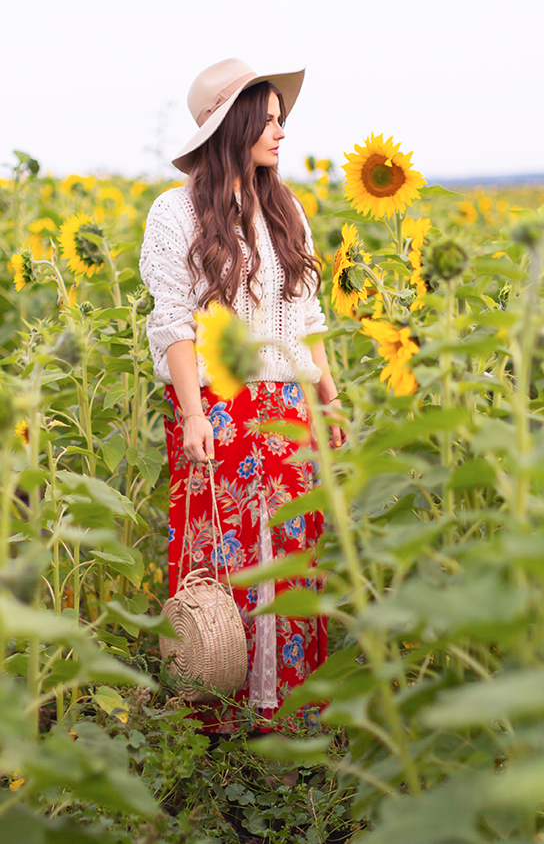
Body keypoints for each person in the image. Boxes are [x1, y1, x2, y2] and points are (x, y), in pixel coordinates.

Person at [139, 57, 342, 733]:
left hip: (287, 411)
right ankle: (219, 718)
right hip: (217, 406)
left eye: (283, 120)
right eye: (271, 119)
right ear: (236, 124)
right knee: (218, 553)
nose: (282, 132)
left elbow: (308, 315)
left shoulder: (286, 206)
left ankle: (283, 720)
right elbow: (173, 321)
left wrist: (330, 399)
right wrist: (194, 411)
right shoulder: (175, 213)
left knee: (289, 555)